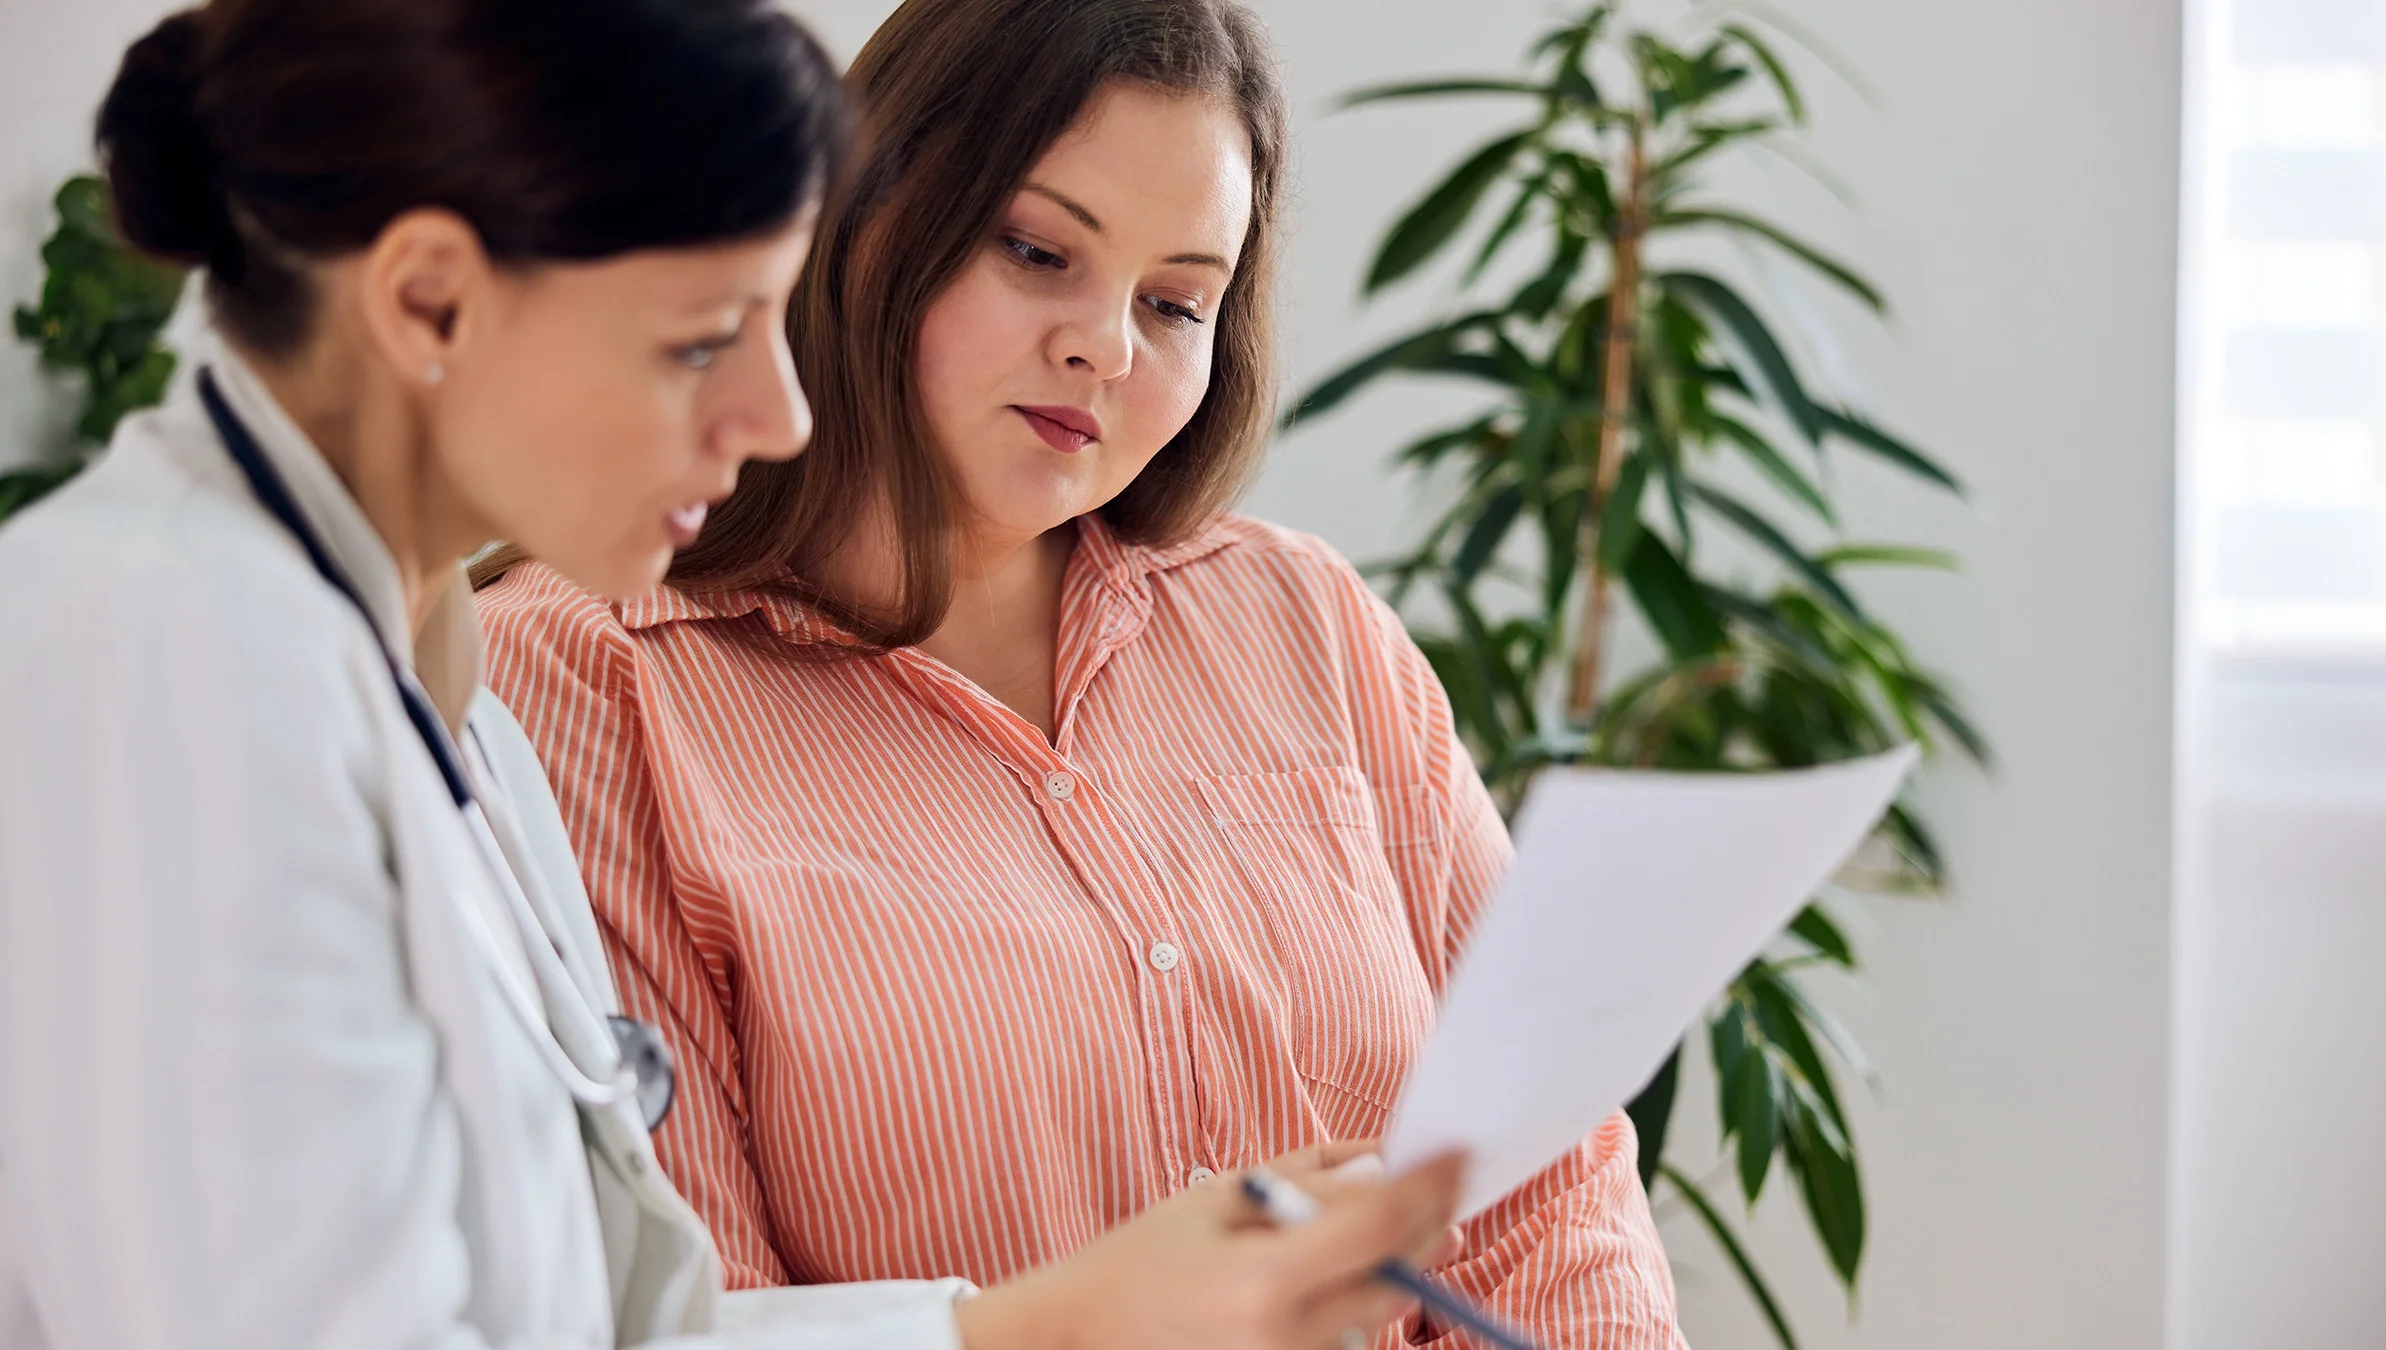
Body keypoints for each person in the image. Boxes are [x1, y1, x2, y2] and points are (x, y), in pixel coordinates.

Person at [0, 2, 1467, 1348]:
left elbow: (623, 1329)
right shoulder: (158, 665)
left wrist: (1041, 1322)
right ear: (434, 302)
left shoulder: (436, 706)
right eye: (705, 337)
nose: (777, 409)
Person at [476, 0, 1685, 1345]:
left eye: (1175, 302)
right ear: (864, 210)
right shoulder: (592, 679)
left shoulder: (1310, 625)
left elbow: (1549, 1188)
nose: (1106, 344)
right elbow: (683, 1315)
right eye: (1039, 251)